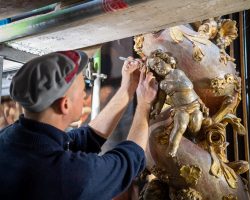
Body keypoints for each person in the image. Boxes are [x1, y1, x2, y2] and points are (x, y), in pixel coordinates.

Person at [0, 50, 158, 200]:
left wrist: (127, 89)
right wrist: (144, 104)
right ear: (65, 105)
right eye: (83, 90)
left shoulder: (9, 138)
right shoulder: (62, 175)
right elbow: (128, 161)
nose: (84, 94)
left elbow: (84, 139)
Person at [147, 49, 208, 157]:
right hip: (180, 108)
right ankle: (172, 149)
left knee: (197, 122)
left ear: (166, 61)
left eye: (158, 63)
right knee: (180, 126)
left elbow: (190, 88)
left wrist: (201, 103)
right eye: (154, 68)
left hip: (194, 106)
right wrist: (156, 109)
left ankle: (193, 138)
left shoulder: (178, 73)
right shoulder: (162, 84)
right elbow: (160, 100)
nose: (157, 68)